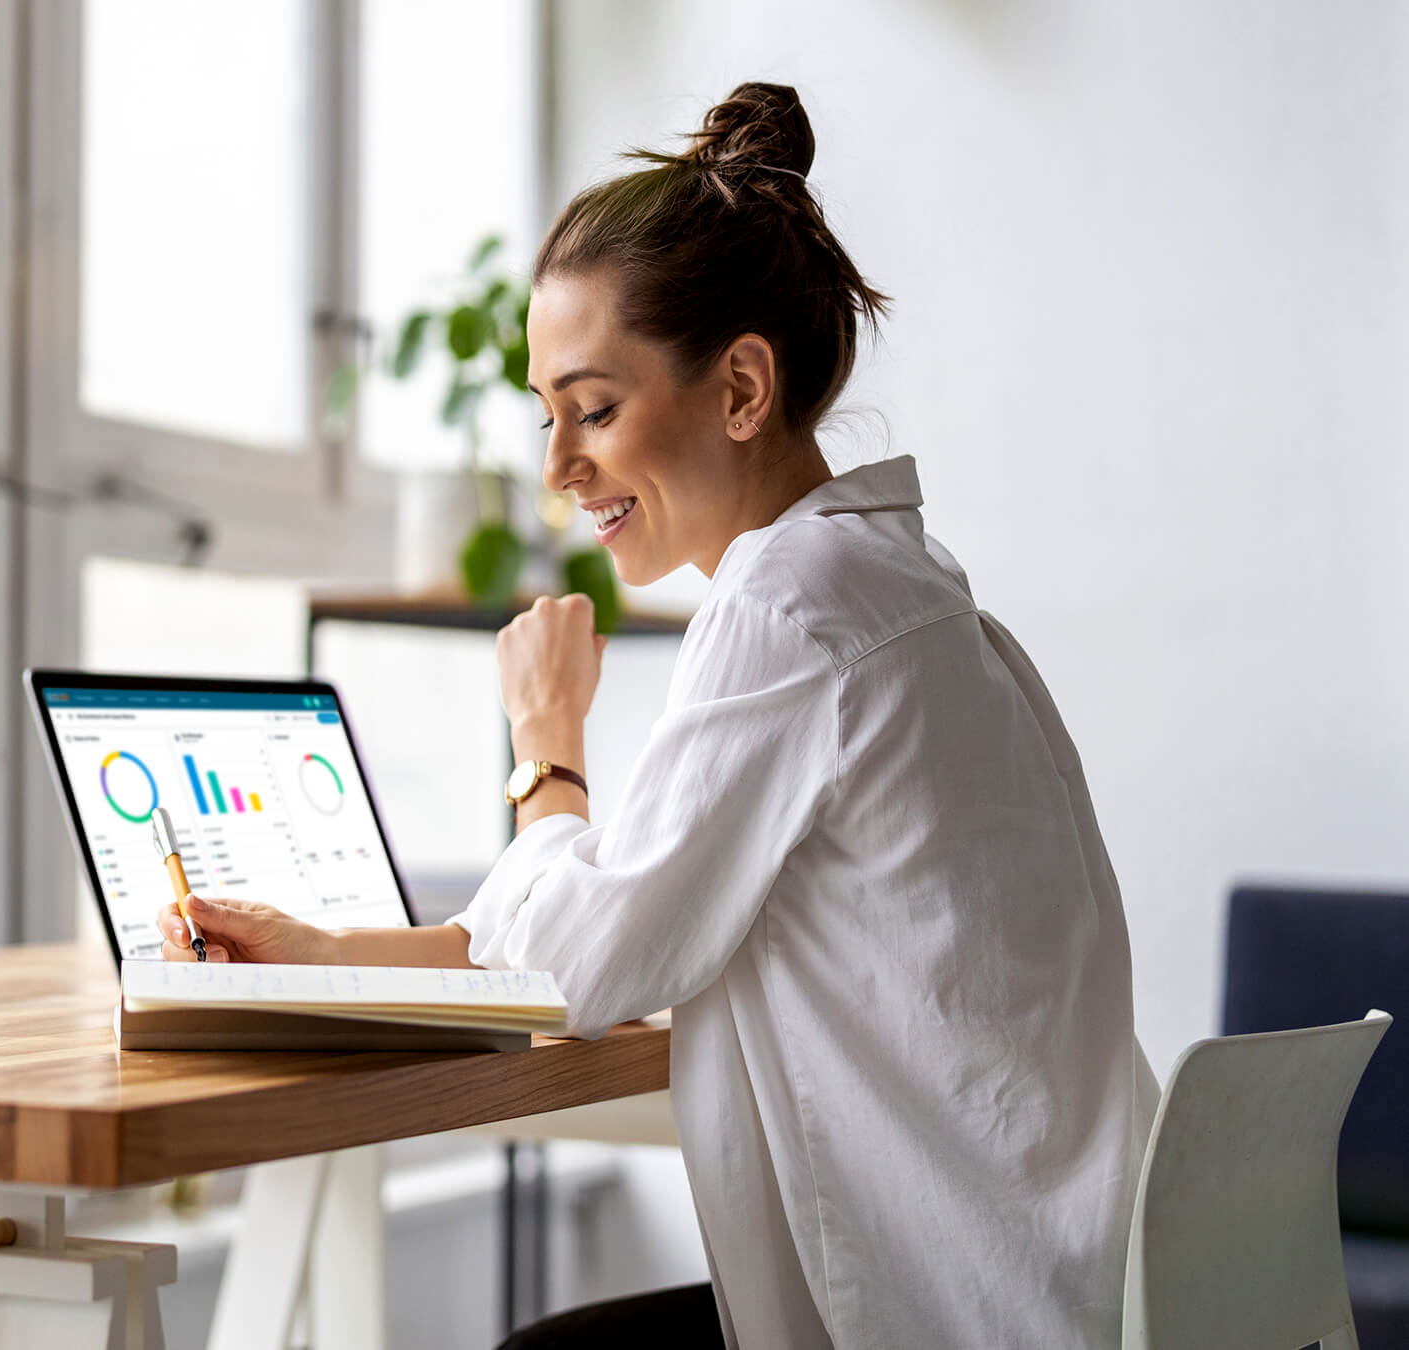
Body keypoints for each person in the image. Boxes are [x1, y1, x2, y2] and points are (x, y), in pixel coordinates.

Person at [157, 81, 1158, 1350]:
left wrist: (545, 748)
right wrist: (318, 953)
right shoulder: (898, 588)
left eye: (596, 408)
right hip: (1040, 1280)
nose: (558, 467)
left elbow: (580, 965)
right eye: (547, 415)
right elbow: (606, 922)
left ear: (742, 389)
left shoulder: (791, 611)